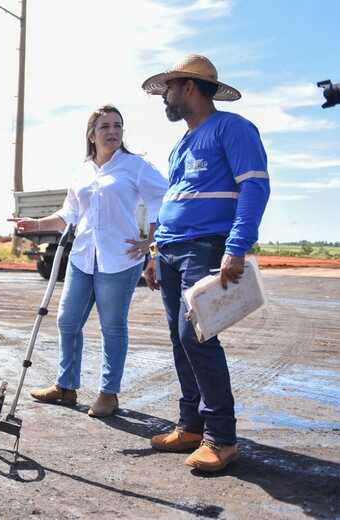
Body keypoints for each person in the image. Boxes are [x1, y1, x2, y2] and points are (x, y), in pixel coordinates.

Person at [141, 55, 270, 472]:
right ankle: (191, 425)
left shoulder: (232, 128)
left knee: (195, 335)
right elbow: (174, 199)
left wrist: (237, 246)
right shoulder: (181, 143)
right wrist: (155, 252)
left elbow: (255, 187)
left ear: (189, 87)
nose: (165, 97)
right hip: (171, 250)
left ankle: (222, 438)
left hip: (206, 246)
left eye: (169, 88)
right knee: (180, 339)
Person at [11, 105, 168, 417]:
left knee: (112, 327)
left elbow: (163, 200)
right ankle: (66, 386)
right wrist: (36, 224)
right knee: (67, 321)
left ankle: (108, 394)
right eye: (105, 126)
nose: (112, 132)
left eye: (117, 126)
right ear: (91, 135)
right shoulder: (83, 171)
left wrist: (151, 242)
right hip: (82, 257)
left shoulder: (135, 166)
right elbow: (69, 214)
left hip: (120, 259)